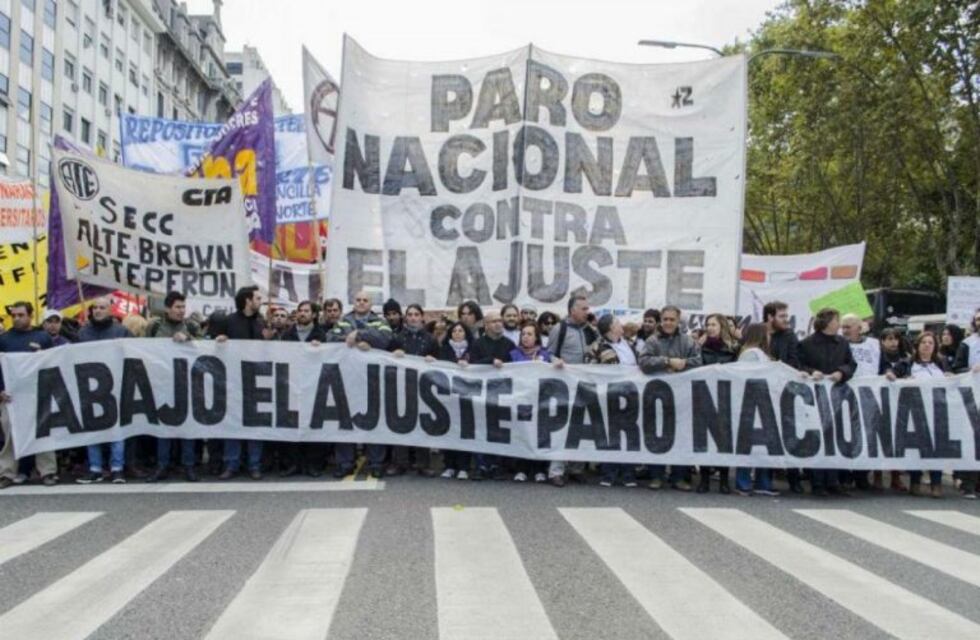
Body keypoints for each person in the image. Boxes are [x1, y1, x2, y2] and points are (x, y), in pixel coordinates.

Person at [638, 305, 701, 491]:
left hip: (682, 398)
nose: (668, 323)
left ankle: (678, 477)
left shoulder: (688, 342)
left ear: (678, 321)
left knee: (680, 437)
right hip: (658, 396)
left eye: (672, 319)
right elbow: (643, 362)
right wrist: (666, 361)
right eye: (665, 319)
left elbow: (698, 362)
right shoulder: (652, 341)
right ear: (661, 321)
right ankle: (656, 475)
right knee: (657, 436)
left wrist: (683, 364)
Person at [332, 291, 393, 478]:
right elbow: (331, 338)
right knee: (345, 422)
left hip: (372, 380)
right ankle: (345, 463)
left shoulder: (380, 321)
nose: (360, 303)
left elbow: (385, 339)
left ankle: (375, 463)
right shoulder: (343, 321)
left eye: (364, 300)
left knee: (373, 421)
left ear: (370, 304)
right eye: (358, 300)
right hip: (347, 379)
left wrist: (360, 334)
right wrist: (354, 340)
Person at [146, 291, 203, 483]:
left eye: (183, 307)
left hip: (186, 382)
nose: (181, 311)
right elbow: (143, 348)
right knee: (164, 426)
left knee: (187, 426)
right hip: (162, 382)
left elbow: (204, 348)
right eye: (178, 307)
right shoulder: (154, 326)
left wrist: (188, 339)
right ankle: (162, 465)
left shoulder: (192, 326)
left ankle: (188, 466)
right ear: (168, 308)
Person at [798, 307, 856, 497]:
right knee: (818, 438)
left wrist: (842, 372)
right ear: (827, 322)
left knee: (835, 437)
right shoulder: (806, 344)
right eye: (836, 320)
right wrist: (811, 371)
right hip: (815, 396)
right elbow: (798, 365)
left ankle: (833, 480)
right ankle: (817, 482)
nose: (839, 324)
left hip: (837, 395)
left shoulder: (843, 343)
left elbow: (851, 364)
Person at [75, 297, 133, 484]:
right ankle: (95, 468)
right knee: (92, 428)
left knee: (116, 429)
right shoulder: (83, 333)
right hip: (89, 386)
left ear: (110, 310)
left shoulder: (121, 331)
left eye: (102, 307)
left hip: (115, 386)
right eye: (95, 308)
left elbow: (134, 354)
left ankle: (117, 468)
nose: (98, 311)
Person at [0, 302, 57, 489]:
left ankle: (47, 471)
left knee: (43, 432)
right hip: (10, 397)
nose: (16, 318)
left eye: (21, 315)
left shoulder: (43, 337)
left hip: (37, 393)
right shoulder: (4, 340)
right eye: (13, 315)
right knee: (10, 434)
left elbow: (53, 364)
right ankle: (6, 472)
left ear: (30, 316)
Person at [887, 331, 950, 498]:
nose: (927, 345)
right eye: (924, 342)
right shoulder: (906, 363)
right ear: (917, 345)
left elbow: (952, 379)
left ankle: (936, 483)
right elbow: (891, 374)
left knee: (937, 448)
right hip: (914, 412)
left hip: (937, 411)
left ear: (935, 346)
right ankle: (915, 480)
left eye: (930, 343)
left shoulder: (941, 363)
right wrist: (892, 376)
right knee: (916, 448)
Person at [215, 286, 267, 480]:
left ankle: (254, 464)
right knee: (233, 423)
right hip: (233, 381)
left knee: (255, 425)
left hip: (257, 380)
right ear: (247, 300)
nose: (260, 301)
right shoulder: (229, 322)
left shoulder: (261, 322)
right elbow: (213, 345)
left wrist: (268, 340)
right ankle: (231, 464)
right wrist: (220, 340)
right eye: (257, 298)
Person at [546, 295, 597, 487]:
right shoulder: (560, 329)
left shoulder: (589, 331)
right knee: (563, 427)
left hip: (584, 385)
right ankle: (556, 470)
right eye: (583, 308)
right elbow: (548, 353)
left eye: (587, 308)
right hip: (564, 386)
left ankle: (576, 468)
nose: (587, 312)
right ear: (572, 310)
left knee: (581, 426)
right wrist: (555, 361)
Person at [588, 315, 639, 488]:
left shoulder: (629, 344)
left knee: (629, 433)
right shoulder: (597, 347)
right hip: (609, 396)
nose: (621, 325)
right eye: (617, 323)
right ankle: (609, 473)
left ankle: (628, 472)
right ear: (610, 328)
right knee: (611, 434)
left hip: (631, 394)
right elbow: (589, 369)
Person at [388, 304, 439, 476]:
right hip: (401, 387)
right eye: (409, 314)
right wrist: (393, 355)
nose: (413, 317)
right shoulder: (397, 338)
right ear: (405, 318)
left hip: (423, 388)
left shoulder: (431, 339)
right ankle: (400, 462)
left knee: (422, 425)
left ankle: (423, 463)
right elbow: (384, 361)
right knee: (400, 424)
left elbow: (442, 364)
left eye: (416, 314)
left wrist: (434, 360)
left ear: (422, 317)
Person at [278, 300, 328, 478]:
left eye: (306, 311)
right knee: (292, 426)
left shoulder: (321, 335)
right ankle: (292, 463)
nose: (302, 314)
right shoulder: (287, 335)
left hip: (313, 386)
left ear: (314, 315)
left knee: (313, 426)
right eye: (300, 311)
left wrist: (321, 349)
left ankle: (313, 464)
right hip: (292, 385)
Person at [468, 310, 516, 480]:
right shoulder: (477, 344)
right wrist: (490, 361)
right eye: (494, 321)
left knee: (499, 429)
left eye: (499, 321)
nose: (498, 324)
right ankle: (481, 465)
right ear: (486, 325)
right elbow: (472, 365)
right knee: (481, 428)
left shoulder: (509, 345)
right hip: (482, 393)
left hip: (502, 394)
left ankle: (496, 465)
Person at [733, 323, 779, 497]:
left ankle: (762, 481)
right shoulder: (751, 354)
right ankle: (743, 481)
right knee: (748, 444)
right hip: (752, 403)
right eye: (767, 334)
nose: (770, 337)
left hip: (762, 403)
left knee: (763, 445)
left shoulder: (761, 355)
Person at [696, 313, 739, 494]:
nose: (710, 328)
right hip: (705, 397)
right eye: (708, 324)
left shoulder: (734, 349)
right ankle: (704, 479)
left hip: (725, 398)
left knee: (724, 440)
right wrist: (697, 345)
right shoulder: (700, 348)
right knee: (704, 439)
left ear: (722, 326)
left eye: (713, 324)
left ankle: (723, 479)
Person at [764, 300, 804, 492]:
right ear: (770, 317)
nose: (786, 320)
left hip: (784, 392)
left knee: (789, 435)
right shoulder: (758, 333)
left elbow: (795, 362)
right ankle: (766, 479)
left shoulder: (789, 336)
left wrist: (777, 365)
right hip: (763, 393)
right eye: (782, 316)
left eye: (786, 316)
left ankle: (794, 480)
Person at [508, 322, 553, 483]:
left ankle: (540, 469)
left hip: (540, 401)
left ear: (536, 337)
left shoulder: (546, 354)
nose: (525, 337)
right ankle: (522, 469)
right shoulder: (514, 354)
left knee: (539, 435)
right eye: (523, 334)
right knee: (523, 434)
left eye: (529, 334)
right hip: (521, 399)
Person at [840, 314, 879, 491]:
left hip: (868, 397)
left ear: (859, 327)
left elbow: (883, 365)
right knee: (846, 434)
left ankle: (862, 475)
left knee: (866, 436)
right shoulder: (839, 345)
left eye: (848, 326)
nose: (845, 330)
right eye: (843, 327)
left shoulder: (874, 345)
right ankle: (845, 475)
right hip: (845, 396)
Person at [438, 321, 476, 480]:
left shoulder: (472, 350)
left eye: (461, 331)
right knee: (449, 432)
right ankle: (449, 466)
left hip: (467, 398)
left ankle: (464, 467)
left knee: (465, 432)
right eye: (454, 331)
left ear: (466, 333)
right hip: (449, 398)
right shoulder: (444, 350)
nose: (458, 333)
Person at [875, 327, 910, 492]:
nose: (893, 342)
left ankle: (896, 476)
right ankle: (877, 475)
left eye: (895, 338)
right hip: (880, 403)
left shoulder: (906, 358)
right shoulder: (877, 357)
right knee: (879, 439)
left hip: (900, 404)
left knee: (898, 441)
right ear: (882, 341)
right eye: (889, 339)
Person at [952, 308, 980, 373]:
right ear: (974, 322)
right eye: (978, 319)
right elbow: (957, 368)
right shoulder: (966, 343)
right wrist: (971, 370)